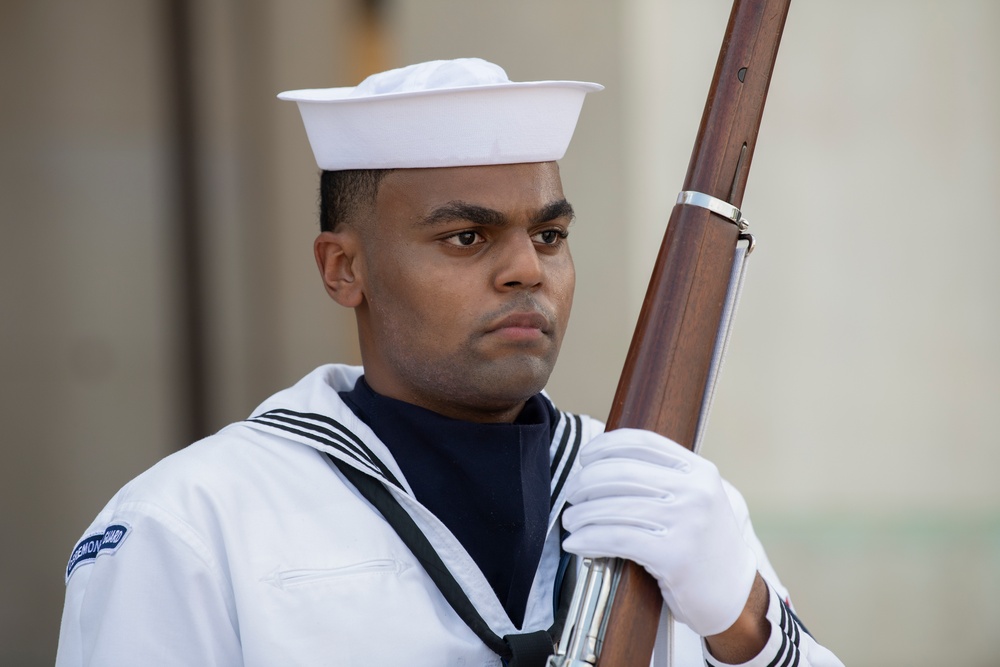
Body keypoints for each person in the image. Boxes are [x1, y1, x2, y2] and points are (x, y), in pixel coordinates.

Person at [56, 58, 843, 666]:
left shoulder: (663, 495)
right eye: (466, 238)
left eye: (550, 236)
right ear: (343, 268)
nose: (526, 270)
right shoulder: (189, 526)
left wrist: (745, 622)